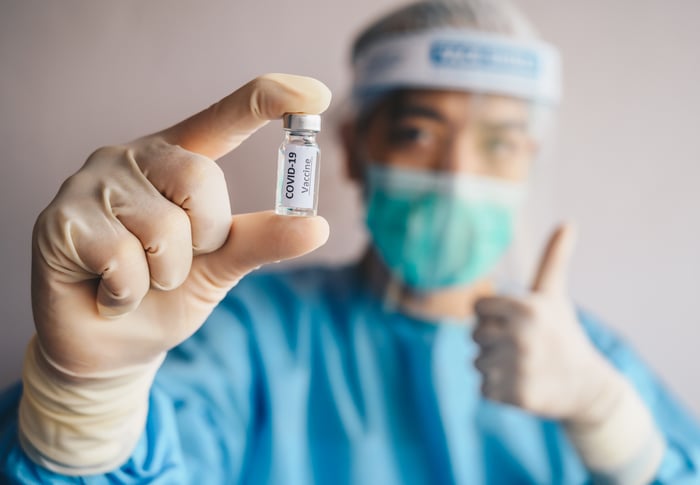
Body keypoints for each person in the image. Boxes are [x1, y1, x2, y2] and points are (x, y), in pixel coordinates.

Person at [1, 0, 699, 483]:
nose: (457, 178)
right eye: (417, 133)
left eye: (500, 143)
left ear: (532, 161)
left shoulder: (591, 364)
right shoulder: (248, 330)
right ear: (354, 148)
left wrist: (612, 425)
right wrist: (87, 403)